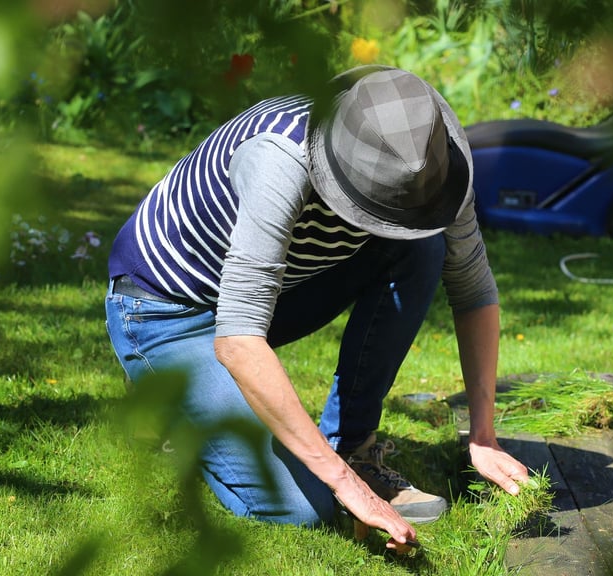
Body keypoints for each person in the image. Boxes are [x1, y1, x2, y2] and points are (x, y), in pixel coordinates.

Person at [105, 65, 529, 551]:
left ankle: (352, 444)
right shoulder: (279, 159)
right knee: (301, 507)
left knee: (424, 246)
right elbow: (239, 339)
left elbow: (473, 289)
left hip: (271, 295)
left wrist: (483, 436)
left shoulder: (434, 160)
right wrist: (347, 487)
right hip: (165, 311)